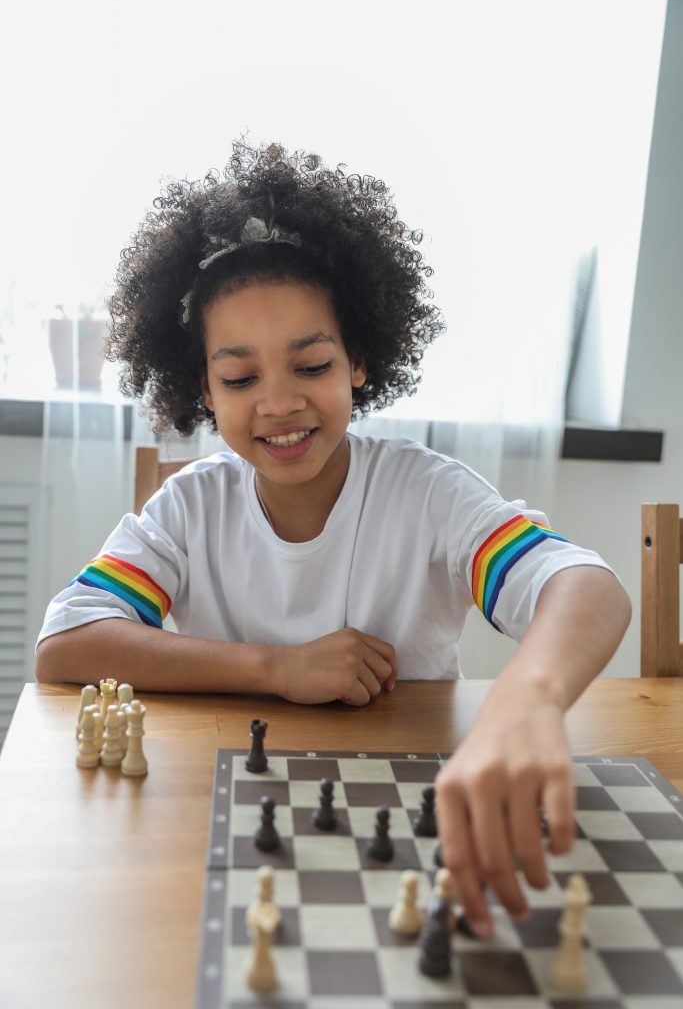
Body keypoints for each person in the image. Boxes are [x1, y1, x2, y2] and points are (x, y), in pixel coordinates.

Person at [35, 139, 631, 937]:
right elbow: (67, 640)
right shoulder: (190, 507)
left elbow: (584, 586)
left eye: (310, 364)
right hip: (233, 819)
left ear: (357, 361)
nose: (278, 404)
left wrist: (529, 698)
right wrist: (276, 668)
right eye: (240, 379)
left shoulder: (425, 491)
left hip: (411, 816)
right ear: (202, 390)